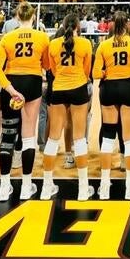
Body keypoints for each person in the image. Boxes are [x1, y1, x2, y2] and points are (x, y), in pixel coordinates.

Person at [0, 2, 51, 201]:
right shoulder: (42, 37)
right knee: (28, 136)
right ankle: (26, 186)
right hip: (33, 82)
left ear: (17, 16)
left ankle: (3, 187)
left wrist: (10, 89)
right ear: (33, 17)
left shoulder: (7, 37)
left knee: (8, 137)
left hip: (12, 83)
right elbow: (47, 65)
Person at [92, 11, 130, 200]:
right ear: (128, 25)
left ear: (112, 25)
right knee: (129, 138)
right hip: (128, 87)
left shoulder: (104, 45)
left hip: (108, 89)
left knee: (107, 136)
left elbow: (96, 73)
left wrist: (108, 73)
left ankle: (104, 185)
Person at [39, 14, 94, 200]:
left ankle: (47, 187)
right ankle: (83, 189)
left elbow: (52, 70)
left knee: (53, 139)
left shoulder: (53, 44)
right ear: (79, 26)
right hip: (78, 88)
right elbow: (87, 71)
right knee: (79, 139)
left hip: (59, 89)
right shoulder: (86, 44)